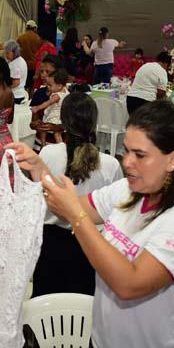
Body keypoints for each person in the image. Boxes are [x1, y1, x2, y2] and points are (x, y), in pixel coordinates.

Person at [8, 100, 174, 348]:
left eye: (140, 155)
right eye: (126, 151)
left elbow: (130, 283)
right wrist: (41, 172)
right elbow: (76, 205)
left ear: (173, 159)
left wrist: (76, 219)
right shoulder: (128, 191)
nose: (127, 162)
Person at [34, 92, 123, 296]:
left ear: (63, 122)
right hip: (90, 248)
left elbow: (36, 200)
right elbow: (117, 217)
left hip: (50, 248)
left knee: (45, 314)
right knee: (83, 316)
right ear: (94, 122)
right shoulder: (110, 165)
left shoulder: (47, 154)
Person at [30, 68, 69, 148]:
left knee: (44, 129)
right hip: (60, 118)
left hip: (53, 117)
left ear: (59, 86)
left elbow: (47, 103)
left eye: (50, 85)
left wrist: (37, 108)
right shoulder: (65, 91)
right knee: (57, 134)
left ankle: (43, 145)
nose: (48, 87)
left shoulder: (56, 96)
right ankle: (61, 147)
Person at [126, 51, 171, 115]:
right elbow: (161, 93)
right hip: (145, 101)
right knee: (146, 124)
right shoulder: (162, 71)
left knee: (134, 123)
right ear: (166, 64)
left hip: (131, 99)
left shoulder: (145, 65)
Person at [16, 20, 43, 86]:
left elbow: (16, 52)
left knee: (23, 85)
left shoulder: (20, 38)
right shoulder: (38, 38)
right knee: (32, 86)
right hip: (34, 66)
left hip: (23, 65)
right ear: (34, 28)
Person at [3, 39, 28, 104]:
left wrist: (4, 89)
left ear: (14, 52)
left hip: (15, 95)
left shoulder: (15, 65)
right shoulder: (20, 60)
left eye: (8, 53)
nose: (6, 55)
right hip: (20, 93)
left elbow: (16, 82)